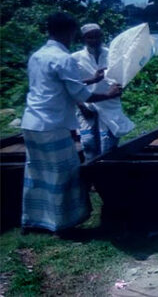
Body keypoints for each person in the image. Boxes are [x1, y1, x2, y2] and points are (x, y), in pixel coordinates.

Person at [21, 12, 122, 235]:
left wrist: (92, 80)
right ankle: (61, 223)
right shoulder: (64, 58)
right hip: (52, 124)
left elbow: (57, 84)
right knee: (63, 173)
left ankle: (33, 220)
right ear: (70, 32)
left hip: (31, 121)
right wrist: (109, 94)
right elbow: (80, 94)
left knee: (36, 172)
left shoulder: (37, 55)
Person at [72, 23, 133, 160]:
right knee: (88, 143)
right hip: (86, 105)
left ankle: (107, 169)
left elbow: (122, 78)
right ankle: (91, 170)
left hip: (109, 104)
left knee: (108, 145)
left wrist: (119, 88)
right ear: (84, 39)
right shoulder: (75, 58)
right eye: (90, 37)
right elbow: (72, 86)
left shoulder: (112, 55)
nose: (94, 40)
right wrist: (81, 106)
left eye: (97, 36)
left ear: (101, 37)